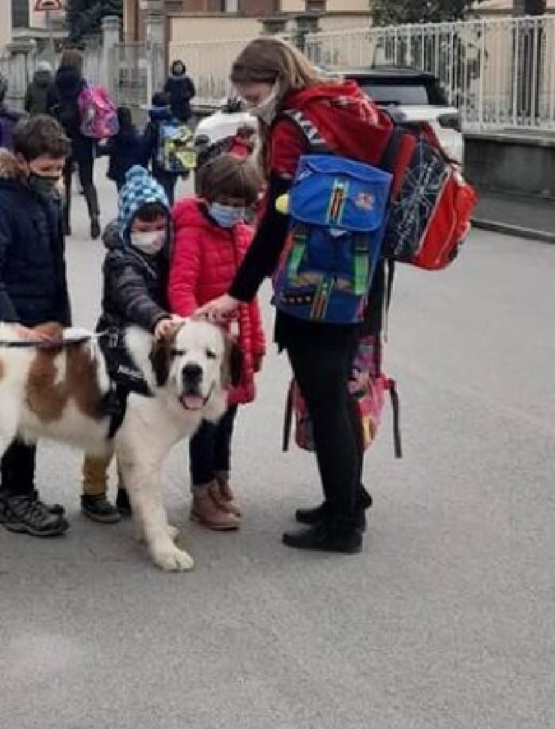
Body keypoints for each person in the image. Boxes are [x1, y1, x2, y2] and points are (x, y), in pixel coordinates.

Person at [195, 37, 395, 554]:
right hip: (358, 273)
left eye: (252, 92)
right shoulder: (342, 103)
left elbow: (280, 220)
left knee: (325, 398)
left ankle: (343, 524)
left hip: (316, 280)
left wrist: (238, 292)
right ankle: (346, 498)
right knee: (339, 393)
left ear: (278, 80)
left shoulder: (293, 127)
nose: (247, 102)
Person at [0, 114, 73, 537]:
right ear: (20, 161)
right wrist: (11, 328)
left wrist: (61, 322)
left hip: (44, 324)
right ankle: (13, 497)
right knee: (12, 419)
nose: (54, 177)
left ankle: (21, 493)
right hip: (13, 331)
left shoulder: (46, 197)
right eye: (46, 169)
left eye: (59, 169)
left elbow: (54, 265)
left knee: (32, 416)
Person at [169, 154, 265, 531]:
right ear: (207, 197)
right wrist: (197, 337)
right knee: (206, 425)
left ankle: (221, 481)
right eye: (225, 203)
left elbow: (248, 300)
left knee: (227, 421)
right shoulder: (193, 232)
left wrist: (254, 347)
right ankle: (201, 492)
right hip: (208, 353)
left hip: (233, 352)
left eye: (240, 205)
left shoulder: (243, 235)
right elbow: (180, 288)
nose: (232, 211)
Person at [81, 165, 177, 522]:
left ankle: (127, 489)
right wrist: (156, 318)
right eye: (143, 227)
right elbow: (131, 295)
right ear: (127, 226)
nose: (153, 235)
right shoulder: (121, 259)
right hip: (116, 350)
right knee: (108, 422)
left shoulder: (166, 255)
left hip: (149, 353)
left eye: (159, 227)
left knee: (140, 426)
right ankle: (93, 490)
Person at [53, 49, 101, 239]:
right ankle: (94, 216)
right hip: (84, 137)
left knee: (63, 181)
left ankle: (65, 223)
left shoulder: (54, 84)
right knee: (87, 181)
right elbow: (94, 111)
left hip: (61, 138)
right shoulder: (84, 86)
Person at [143, 91, 184, 205]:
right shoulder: (175, 122)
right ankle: (169, 212)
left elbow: (146, 146)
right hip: (174, 164)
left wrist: (143, 164)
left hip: (159, 165)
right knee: (170, 189)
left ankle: (167, 215)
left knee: (162, 191)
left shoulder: (153, 124)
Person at [99, 106, 148, 194]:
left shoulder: (116, 134)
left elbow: (110, 148)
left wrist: (98, 149)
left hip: (120, 170)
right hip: (134, 169)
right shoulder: (134, 132)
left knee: (123, 193)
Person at [164, 59, 196, 123]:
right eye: (176, 67)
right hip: (173, 107)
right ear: (173, 68)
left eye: (180, 67)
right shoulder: (170, 80)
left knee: (183, 126)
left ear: (182, 68)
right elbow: (165, 91)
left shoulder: (186, 79)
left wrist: (186, 96)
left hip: (184, 108)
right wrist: (170, 98)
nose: (178, 68)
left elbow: (193, 92)